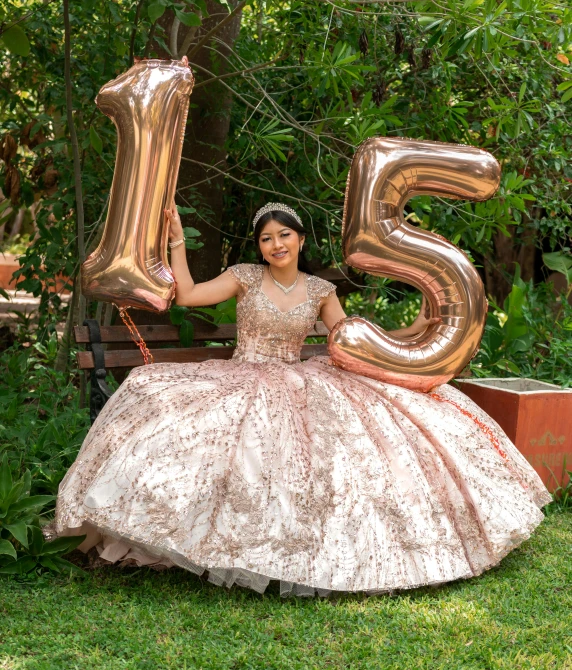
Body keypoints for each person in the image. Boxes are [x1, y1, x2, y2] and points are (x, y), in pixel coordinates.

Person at [52, 202, 551, 596]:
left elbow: (348, 339)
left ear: (300, 239)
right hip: (244, 374)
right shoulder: (245, 276)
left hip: (298, 376)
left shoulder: (319, 288)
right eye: (266, 238)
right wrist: (177, 241)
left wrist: (413, 330)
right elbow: (186, 295)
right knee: (156, 395)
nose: (275, 244)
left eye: (283, 235)